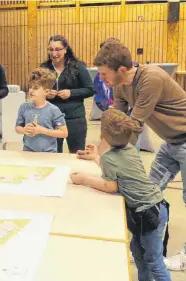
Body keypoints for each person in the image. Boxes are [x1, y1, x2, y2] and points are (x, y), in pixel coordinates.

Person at [94, 42, 186, 271]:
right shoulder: (120, 86)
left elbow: (133, 126)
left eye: (105, 74)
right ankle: (147, 246)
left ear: (121, 71)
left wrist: (104, 155)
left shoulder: (150, 78)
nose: (102, 79)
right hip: (171, 142)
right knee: (147, 193)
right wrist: (97, 150)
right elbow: (117, 124)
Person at [72, 109, 171, 281]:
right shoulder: (130, 148)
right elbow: (117, 167)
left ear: (103, 134)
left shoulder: (109, 158)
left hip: (148, 214)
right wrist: (97, 156)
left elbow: (110, 185)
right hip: (156, 207)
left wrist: (84, 180)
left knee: (153, 261)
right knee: (138, 253)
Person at [40, 35, 94, 153]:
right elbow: (36, 90)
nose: (54, 53)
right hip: (51, 118)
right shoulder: (44, 68)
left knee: (77, 154)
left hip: (74, 119)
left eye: (58, 49)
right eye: (51, 49)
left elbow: (90, 89)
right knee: (53, 154)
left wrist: (71, 93)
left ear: (65, 49)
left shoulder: (78, 66)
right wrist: (46, 94)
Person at [15, 67, 68, 152]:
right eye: (30, 87)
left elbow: (64, 133)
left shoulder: (54, 110)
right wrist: (25, 130)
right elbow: (18, 128)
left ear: (46, 92)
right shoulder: (24, 107)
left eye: (35, 88)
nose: (31, 91)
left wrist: (42, 130)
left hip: (48, 153)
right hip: (28, 151)